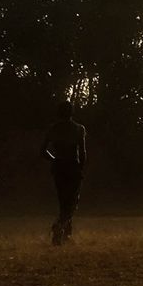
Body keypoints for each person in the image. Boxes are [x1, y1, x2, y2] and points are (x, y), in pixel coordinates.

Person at [42, 102, 87, 245]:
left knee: (63, 202)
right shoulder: (79, 129)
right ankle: (60, 226)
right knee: (72, 202)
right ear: (71, 113)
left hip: (58, 168)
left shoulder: (52, 129)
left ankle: (65, 235)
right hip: (73, 167)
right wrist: (81, 168)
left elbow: (43, 151)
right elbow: (82, 152)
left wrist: (54, 159)